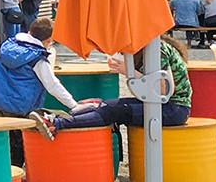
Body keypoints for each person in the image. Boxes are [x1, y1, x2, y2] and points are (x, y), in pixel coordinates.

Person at [36, 36, 194, 139]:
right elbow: (143, 93)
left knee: (113, 111)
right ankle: (54, 118)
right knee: (104, 104)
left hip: (174, 109)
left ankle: (56, 125)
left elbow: (164, 90)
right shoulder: (146, 49)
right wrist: (130, 72)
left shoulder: (157, 50)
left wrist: (128, 71)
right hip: (162, 104)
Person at [0, 17, 79, 164]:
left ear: (30, 32)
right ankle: (15, 177)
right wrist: (73, 105)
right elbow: (52, 85)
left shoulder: (9, 46)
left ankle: (3, 170)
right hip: (19, 105)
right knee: (19, 143)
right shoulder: (37, 58)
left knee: (4, 139)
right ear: (48, 40)